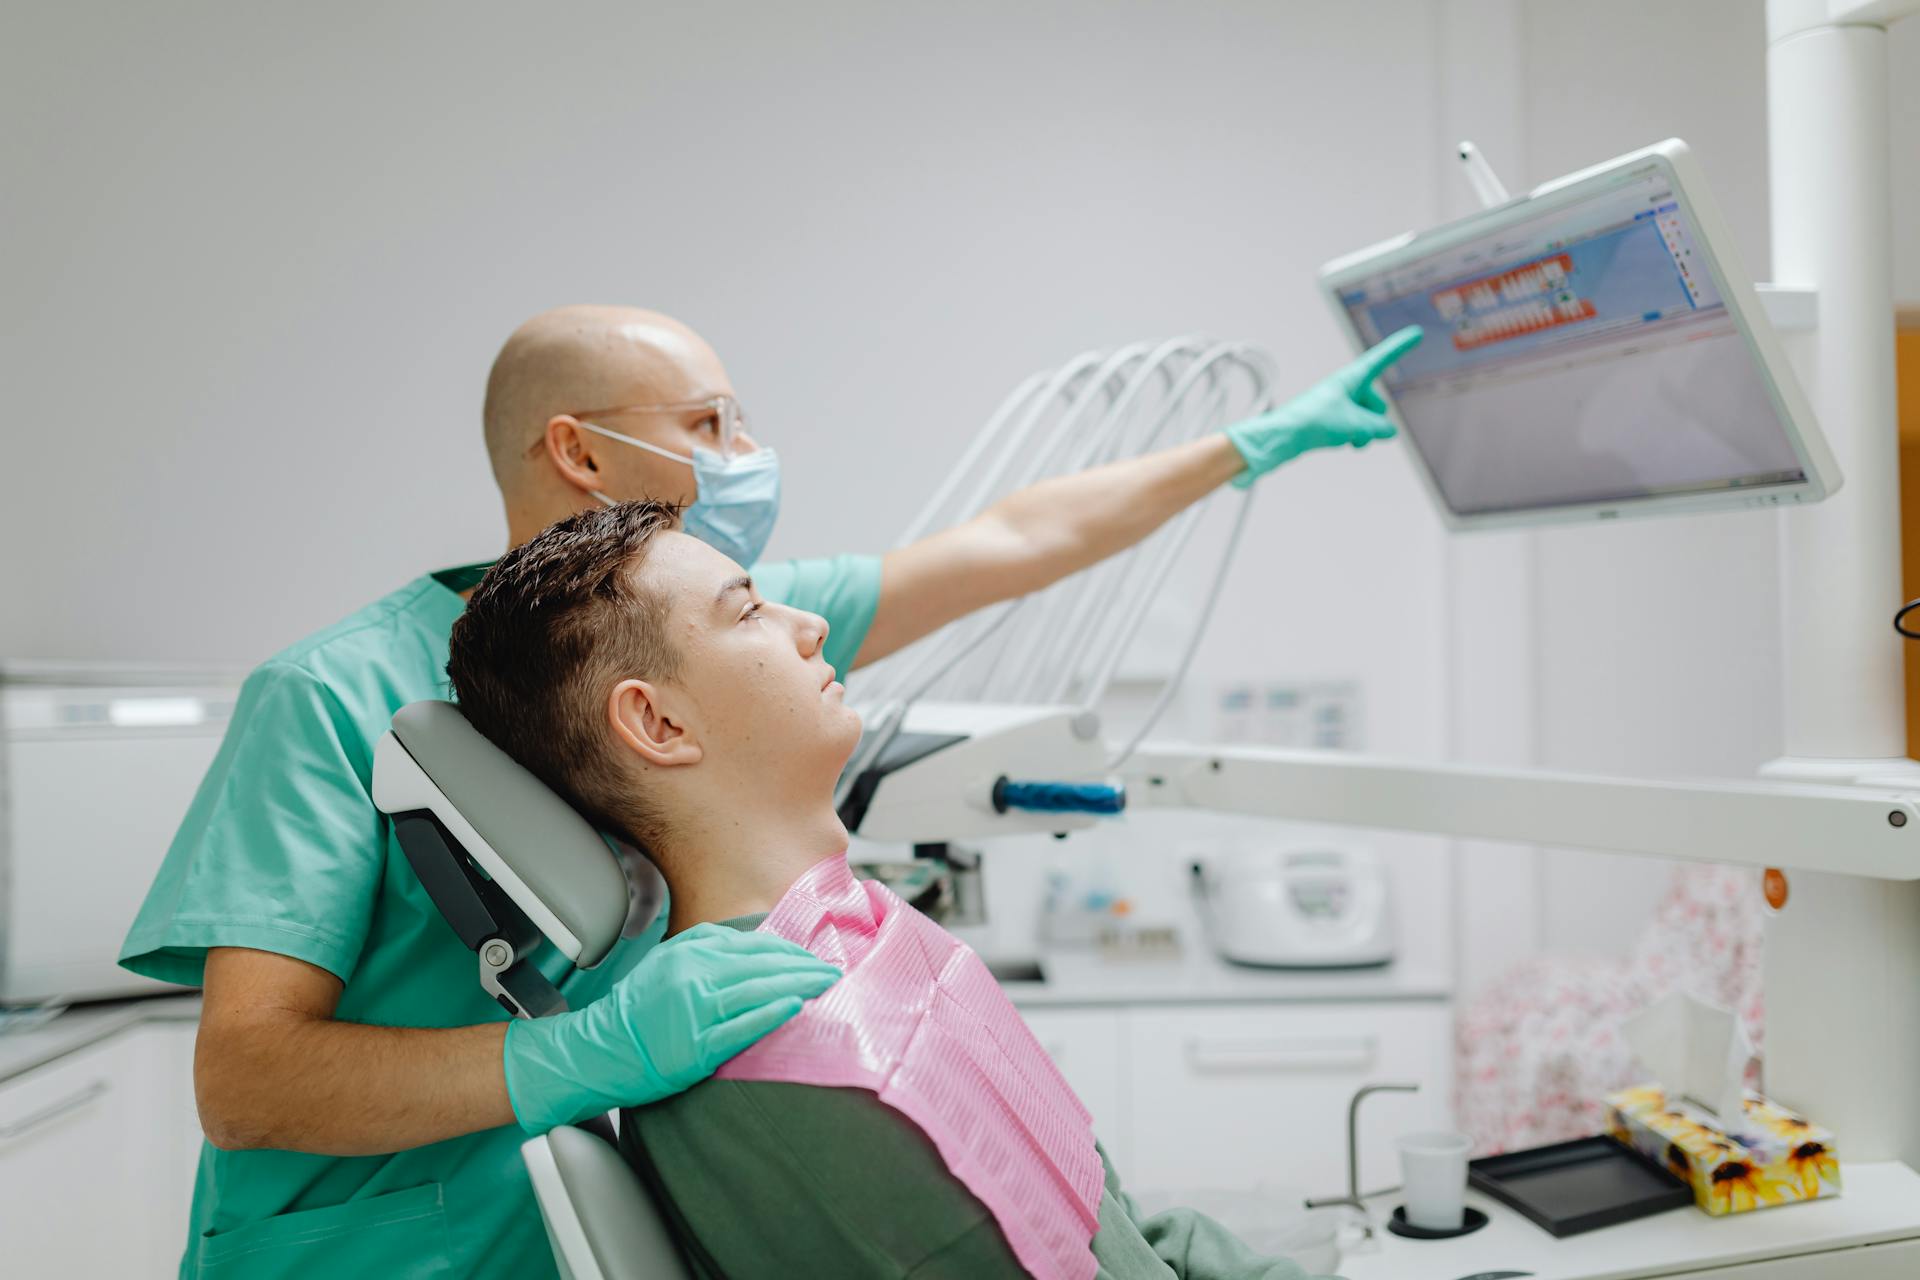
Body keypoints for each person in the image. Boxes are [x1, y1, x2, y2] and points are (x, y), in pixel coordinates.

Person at [121, 303, 1415, 1278]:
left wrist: (1251, 447)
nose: (746, 459)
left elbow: (1013, 543)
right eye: (708, 427)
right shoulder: (336, 695)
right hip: (381, 1249)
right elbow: (247, 1082)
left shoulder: (708, 627)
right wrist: (582, 1051)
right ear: (576, 450)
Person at [447, 500, 1332, 1279]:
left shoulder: (859, 940)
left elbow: (1114, 1227)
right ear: (659, 722)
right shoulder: (790, 1060)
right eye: (749, 609)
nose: (810, 627)